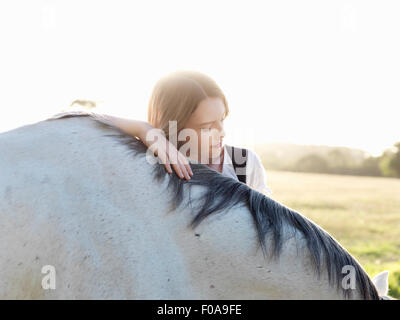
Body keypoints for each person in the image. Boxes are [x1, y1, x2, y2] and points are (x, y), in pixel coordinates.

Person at [94, 70, 272, 197]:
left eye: (222, 119)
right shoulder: (155, 167)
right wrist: (143, 128)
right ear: (175, 128)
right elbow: (80, 122)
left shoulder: (245, 164)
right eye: (207, 128)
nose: (222, 132)